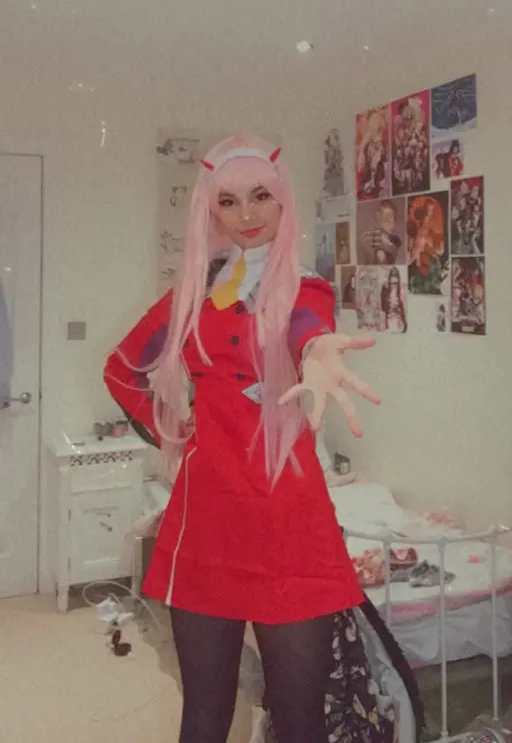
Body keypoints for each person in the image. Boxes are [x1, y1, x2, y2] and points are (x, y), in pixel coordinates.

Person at [104, 135, 387, 743]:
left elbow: (308, 327)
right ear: (211, 211)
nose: (247, 214)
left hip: (289, 519)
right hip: (206, 518)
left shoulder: (306, 286)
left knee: (300, 721)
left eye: (261, 196)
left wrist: (316, 350)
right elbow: (122, 370)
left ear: (284, 202)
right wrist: (174, 431)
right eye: (228, 202)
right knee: (204, 718)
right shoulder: (192, 292)